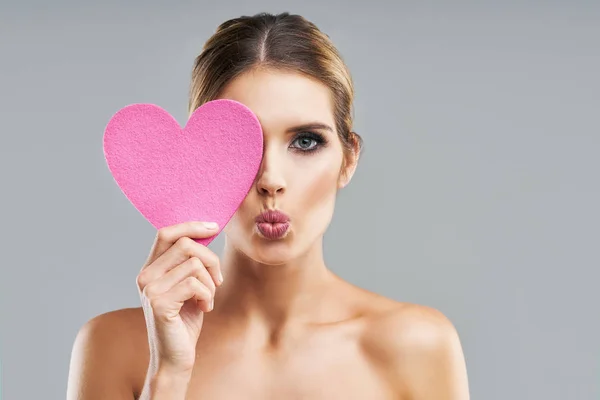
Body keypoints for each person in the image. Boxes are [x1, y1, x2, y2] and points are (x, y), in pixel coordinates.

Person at [67, 12, 470, 400]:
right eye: (240, 145)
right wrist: (168, 376)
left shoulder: (418, 346)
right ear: (198, 161)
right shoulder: (114, 348)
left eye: (306, 141)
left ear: (348, 159)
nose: (271, 180)